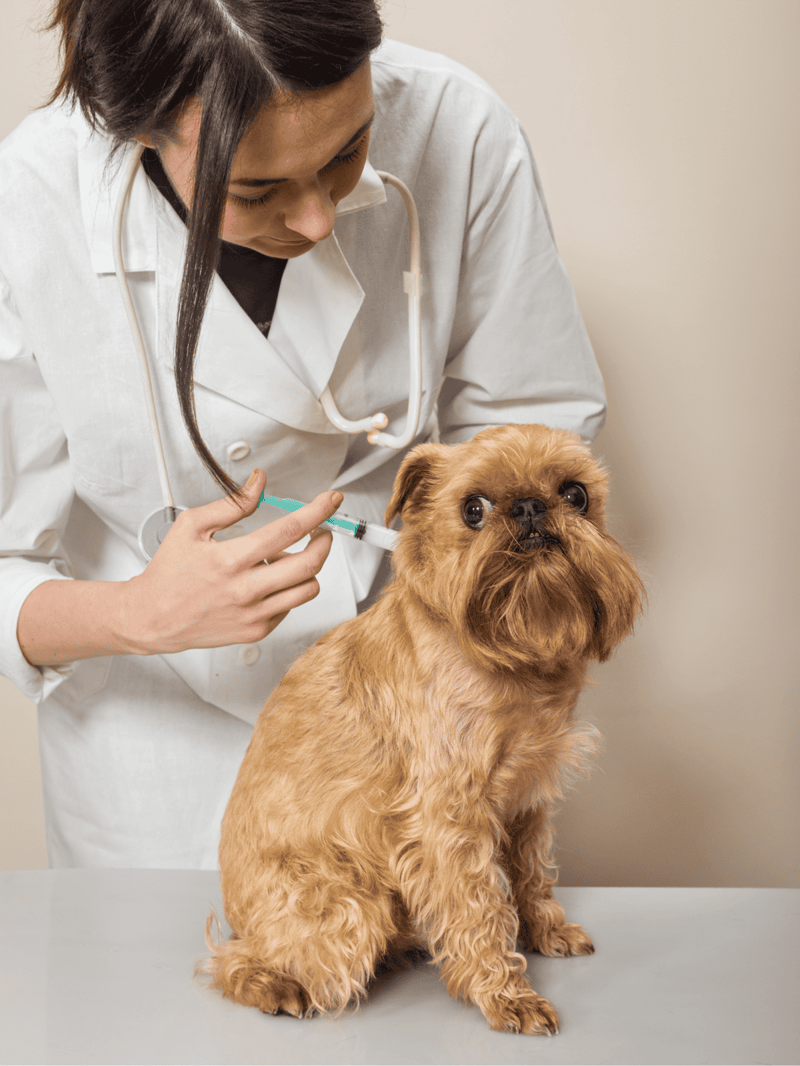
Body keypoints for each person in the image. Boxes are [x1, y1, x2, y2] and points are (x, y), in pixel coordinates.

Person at [0, 0, 606, 868]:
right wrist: (140, 613)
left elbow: (538, 433)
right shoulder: (26, 204)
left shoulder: (455, 126)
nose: (319, 219)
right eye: (256, 190)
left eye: (348, 154)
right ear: (136, 131)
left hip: (413, 708)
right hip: (147, 759)